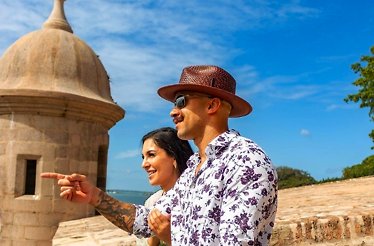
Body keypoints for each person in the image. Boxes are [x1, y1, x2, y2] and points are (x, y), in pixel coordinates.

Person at [41, 65, 278, 245]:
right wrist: (95, 196)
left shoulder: (246, 161)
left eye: (181, 101)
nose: (173, 111)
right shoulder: (195, 167)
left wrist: (173, 239)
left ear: (212, 106)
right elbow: (146, 221)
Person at [137, 127, 193, 245]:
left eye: (151, 155)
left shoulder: (195, 200)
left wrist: (170, 237)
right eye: (143, 157)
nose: (144, 164)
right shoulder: (152, 202)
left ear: (173, 156)